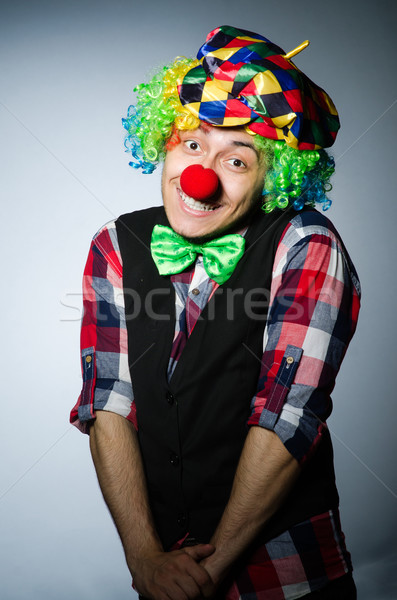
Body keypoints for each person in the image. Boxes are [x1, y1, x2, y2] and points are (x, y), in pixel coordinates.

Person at [70, 25, 361, 600]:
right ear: (166, 142)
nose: (201, 177)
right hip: (163, 574)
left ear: (272, 178)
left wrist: (212, 569)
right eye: (194, 145)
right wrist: (147, 560)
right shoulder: (114, 243)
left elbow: (286, 415)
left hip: (287, 574)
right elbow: (109, 402)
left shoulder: (305, 243)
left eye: (238, 159)